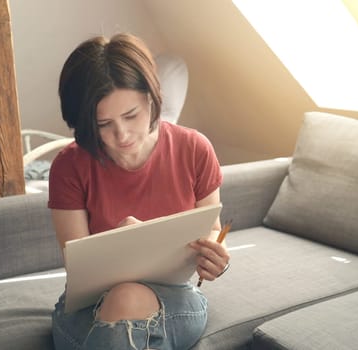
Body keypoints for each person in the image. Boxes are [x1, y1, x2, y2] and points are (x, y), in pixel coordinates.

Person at [48, 33, 230, 350]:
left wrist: (215, 256)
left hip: (173, 300)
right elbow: (78, 267)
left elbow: (211, 229)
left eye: (131, 115)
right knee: (122, 300)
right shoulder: (70, 166)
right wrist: (119, 246)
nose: (122, 135)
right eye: (103, 124)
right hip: (88, 310)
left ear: (152, 97)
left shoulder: (194, 149)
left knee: (128, 297)